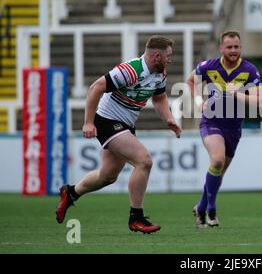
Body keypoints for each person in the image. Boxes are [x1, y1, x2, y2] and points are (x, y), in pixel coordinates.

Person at [55, 35, 182, 234]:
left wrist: (168, 118)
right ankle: (136, 218)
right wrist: (88, 122)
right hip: (107, 121)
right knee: (144, 161)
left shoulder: (160, 73)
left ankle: (71, 193)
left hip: (125, 124)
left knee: (107, 176)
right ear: (157, 56)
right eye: (168, 56)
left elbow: (159, 97)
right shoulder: (130, 70)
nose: (170, 59)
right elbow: (96, 87)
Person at [186, 31, 262, 228]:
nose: (233, 50)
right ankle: (211, 209)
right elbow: (190, 80)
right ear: (221, 48)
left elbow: (259, 101)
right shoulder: (209, 66)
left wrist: (238, 94)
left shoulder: (249, 70)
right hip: (211, 122)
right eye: (229, 47)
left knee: (218, 171)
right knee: (217, 160)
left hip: (234, 128)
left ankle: (201, 207)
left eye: (237, 46)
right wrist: (197, 101)